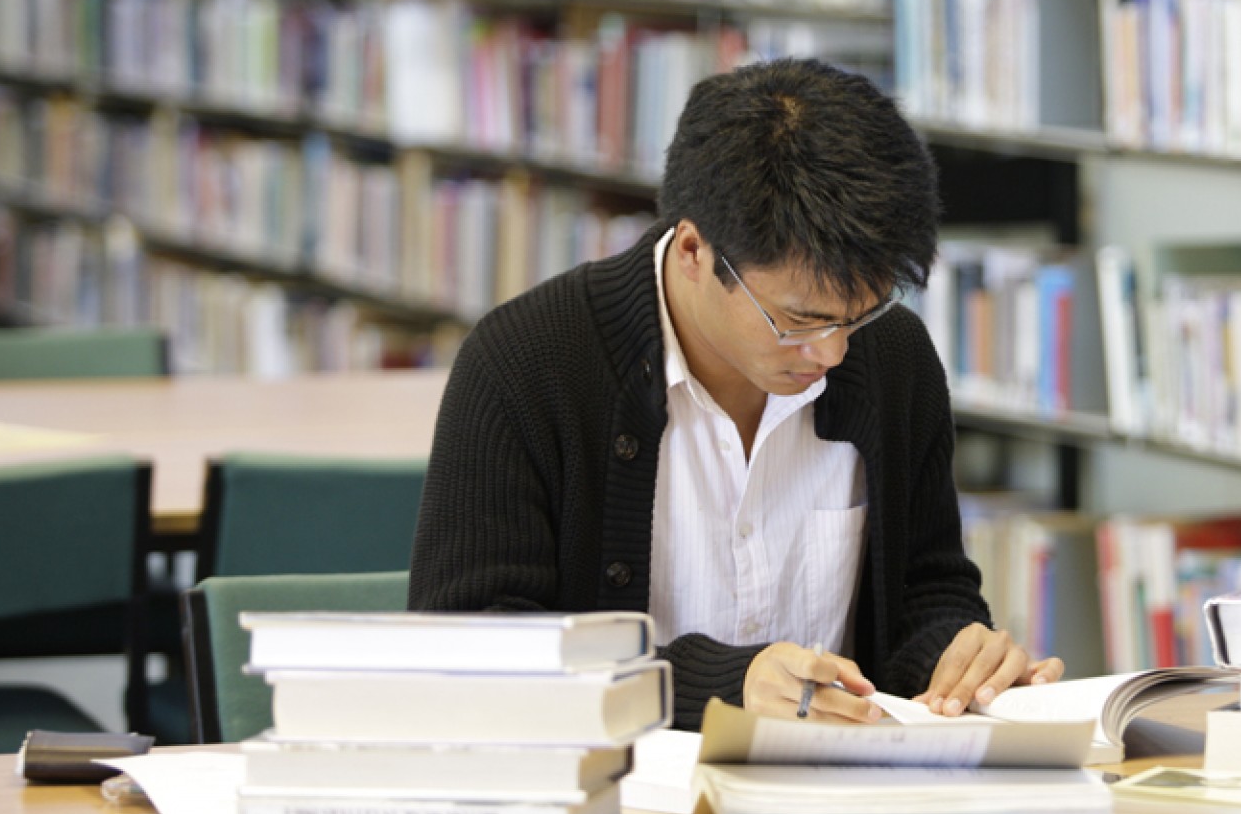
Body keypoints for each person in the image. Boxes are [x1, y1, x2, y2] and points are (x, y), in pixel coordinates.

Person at [409, 57, 1064, 729]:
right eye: (798, 320)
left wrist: (957, 660)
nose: (834, 352)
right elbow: (471, 650)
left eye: (859, 313)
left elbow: (926, 589)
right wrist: (721, 686)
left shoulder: (892, 358)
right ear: (693, 251)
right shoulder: (525, 365)